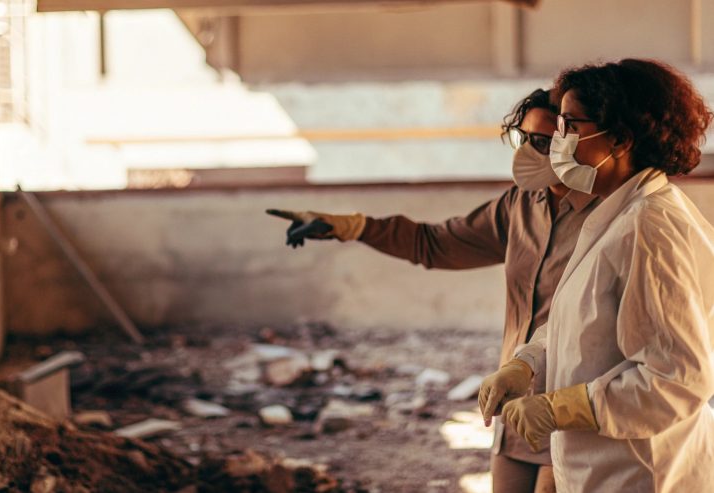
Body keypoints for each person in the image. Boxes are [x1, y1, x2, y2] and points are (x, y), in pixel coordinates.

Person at [269, 88, 600, 493]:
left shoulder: (610, 214)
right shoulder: (521, 205)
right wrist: (352, 227)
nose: (528, 152)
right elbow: (436, 243)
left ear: (574, 141)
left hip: (576, 408)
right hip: (515, 403)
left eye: (542, 142)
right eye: (524, 138)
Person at [478, 59, 714, 492]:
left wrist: (561, 407)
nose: (558, 141)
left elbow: (676, 380)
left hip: (640, 473)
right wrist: (526, 363)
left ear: (620, 139)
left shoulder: (649, 228)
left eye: (570, 126)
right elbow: (582, 320)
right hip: (604, 468)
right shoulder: (615, 215)